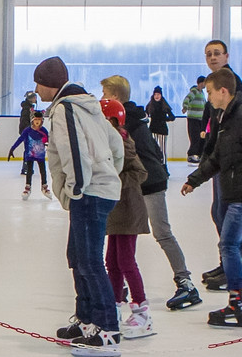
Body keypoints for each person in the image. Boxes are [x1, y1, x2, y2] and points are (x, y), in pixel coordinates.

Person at [33, 56, 125, 357]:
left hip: (88, 192)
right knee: (77, 256)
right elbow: (116, 144)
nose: (36, 90)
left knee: (89, 261)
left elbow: (74, 149)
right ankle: (87, 321)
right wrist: (110, 173)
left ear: (49, 84)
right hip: (97, 188)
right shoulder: (88, 104)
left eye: (38, 84)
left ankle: (107, 328)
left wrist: (78, 188)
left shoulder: (65, 108)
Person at [101, 75, 199, 310]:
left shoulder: (128, 123)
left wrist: (141, 179)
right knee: (120, 240)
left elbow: (144, 157)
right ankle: (119, 285)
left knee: (162, 232)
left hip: (149, 184)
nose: (102, 98)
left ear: (115, 96)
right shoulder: (127, 120)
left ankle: (185, 282)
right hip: (135, 186)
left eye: (105, 94)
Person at [182, 68, 242, 328]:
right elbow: (217, 156)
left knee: (229, 245)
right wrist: (194, 180)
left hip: (239, 194)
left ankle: (237, 303)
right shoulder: (226, 117)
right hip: (234, 193)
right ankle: (236, 302)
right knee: (230, 245)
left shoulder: (238, 117)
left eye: (209, 92)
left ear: (223, 91)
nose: (208, 97)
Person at [100, 98, 155, 339]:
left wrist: (114, 184)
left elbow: (140, 173)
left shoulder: (123, 141)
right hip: (115, 209)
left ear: (114, 121)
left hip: (129, 208)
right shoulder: (105, 142)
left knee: (125, 261)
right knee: (111, 261)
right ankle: (113, 308)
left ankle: (142, 311)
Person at [198, 40, 240, 291]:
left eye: (216, 53)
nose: (212, 57)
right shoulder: (213, 86)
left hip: (230, 163)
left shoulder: (232, 86)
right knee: (218, 213)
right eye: (208, 54)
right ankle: (226, 262)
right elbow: (212, 127)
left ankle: (233, 267)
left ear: (226, 56)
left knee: (229, 216)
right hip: (218, 158)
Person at [8, 112, 51, 200]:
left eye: (39, 120)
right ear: (32, 120)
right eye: (36, 120)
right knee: (29, 171)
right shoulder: (27, 130)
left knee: (43, 171)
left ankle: (44, 186)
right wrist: (12, 148)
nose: (37, 122)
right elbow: (20, 139)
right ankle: (28, 187)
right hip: (30, 155)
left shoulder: (44, 131)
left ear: (42, 121)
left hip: (40, 155)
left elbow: (49, 141)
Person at [145, 86, 175, 159]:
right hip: (152, 129)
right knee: (153, 149)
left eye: (158, 94)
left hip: (162, 130)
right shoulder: (150, 105)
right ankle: (155, 164)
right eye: (155, 94)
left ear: (161, 95)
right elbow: (145, 114)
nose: (156, 96)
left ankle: (164, 165)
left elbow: (172, 117)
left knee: (162, 150)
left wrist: (165, 119)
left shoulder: (164, 105)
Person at [183, 76, 207, 164]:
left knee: (201, 137)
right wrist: (185, 107)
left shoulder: (202, 93)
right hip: (193, 118)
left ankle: (199, 154)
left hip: (200, 119)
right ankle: (191, 155)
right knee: (195, 137)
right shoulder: (194, 91)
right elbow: (187, 99)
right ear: (201, 83)